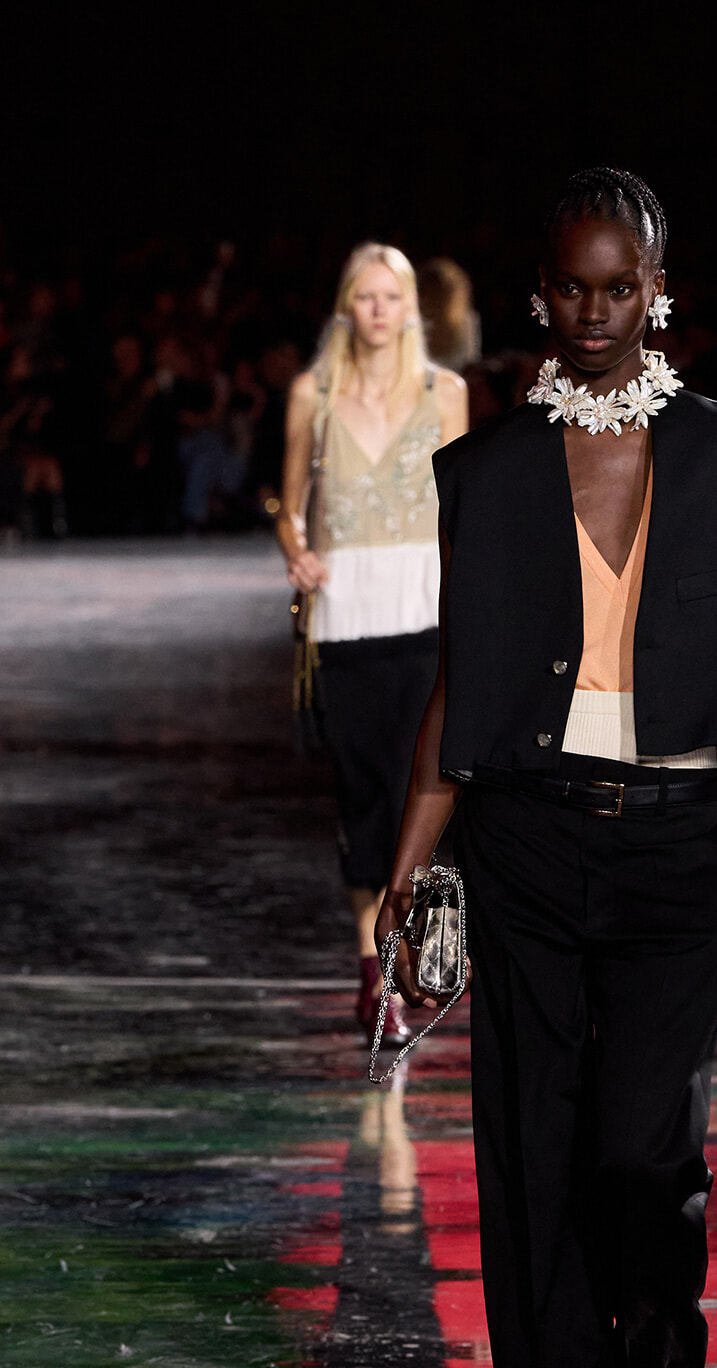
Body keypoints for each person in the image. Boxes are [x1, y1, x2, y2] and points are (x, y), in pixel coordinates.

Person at [375, 169, 717, 1368]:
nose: (596, 312)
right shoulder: (485, 474)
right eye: (573, 287)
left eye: (621, 287)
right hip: (529, 849)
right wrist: (411, 876)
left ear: (657, 287)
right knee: (535, 1187)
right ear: (539, 294)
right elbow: (461, 685)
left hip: (677, 853)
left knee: (642, 1162)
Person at [277, 243, 468, 1037]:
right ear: (347, 306)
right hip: (346, 613)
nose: (379, 310)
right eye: (366, 296)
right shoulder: (313, 394)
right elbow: (289, 505)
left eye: (392, 296)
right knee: (363, 799)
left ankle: (400, 962)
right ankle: (376, 973)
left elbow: (462, 509)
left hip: (424, 613)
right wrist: (297, 553)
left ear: (412, 307)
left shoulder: (444, 394)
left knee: (415, 792)